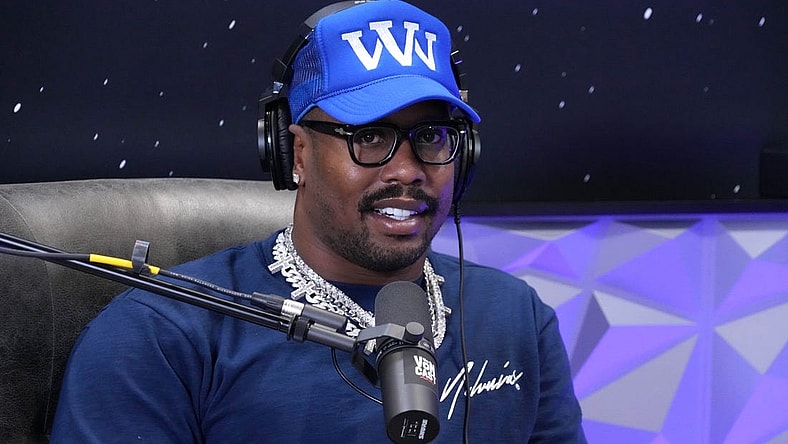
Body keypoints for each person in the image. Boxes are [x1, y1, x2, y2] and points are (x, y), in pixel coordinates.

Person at [51, 1, 586, 442]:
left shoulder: (518, 317)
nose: (406, 169)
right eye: (368, 137)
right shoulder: (160, 334)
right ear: (296, 154)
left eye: (430, 136)